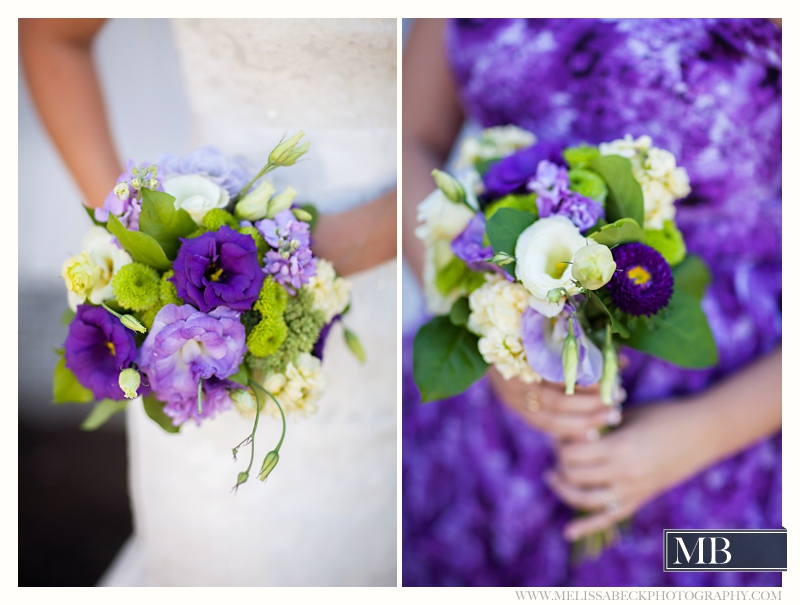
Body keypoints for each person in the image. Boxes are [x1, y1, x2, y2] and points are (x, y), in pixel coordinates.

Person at [402, 18, 781, 587]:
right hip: (492, 408)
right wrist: (496, 341)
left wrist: (702, 433)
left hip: (730, 420)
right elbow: (411, 139)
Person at [21, 18, 397, 586]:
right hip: (192, 279)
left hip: (378, 276)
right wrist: (134, 231)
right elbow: (50, 34)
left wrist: (348, 240)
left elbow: (446, 118)